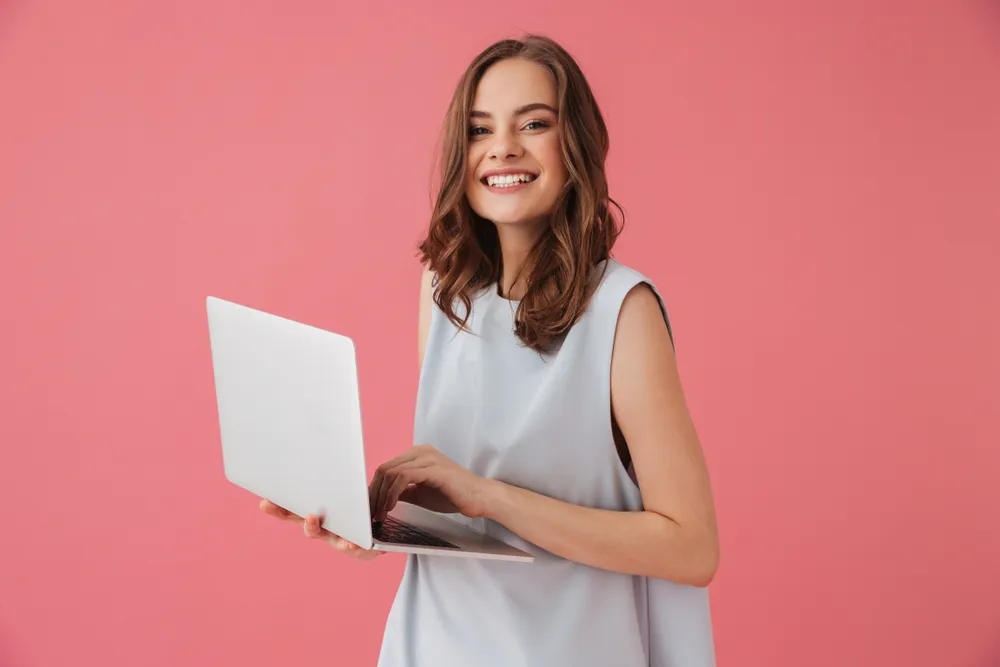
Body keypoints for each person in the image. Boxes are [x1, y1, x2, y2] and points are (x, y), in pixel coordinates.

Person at [261, 34, 719, 666]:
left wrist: (486, 494)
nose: (503, 146)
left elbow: (690, 548)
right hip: (435, 643)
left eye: (533, 123)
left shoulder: (623, 311)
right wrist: (372, 526)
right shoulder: (444, 293)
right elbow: (476, 532)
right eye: (480, 130)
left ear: (575, 146)